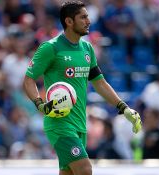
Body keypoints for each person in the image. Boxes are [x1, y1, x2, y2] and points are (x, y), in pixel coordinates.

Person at [23, 1, 142, 175]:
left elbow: (100, 83)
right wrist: (40, 104)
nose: (88, 21)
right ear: (69, 21)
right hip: (60, 124)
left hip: (80, 124)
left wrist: (123, 108)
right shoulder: (51, 48)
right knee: (85, 170)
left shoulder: (87, 49)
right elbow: (28, 80)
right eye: (83, 17)